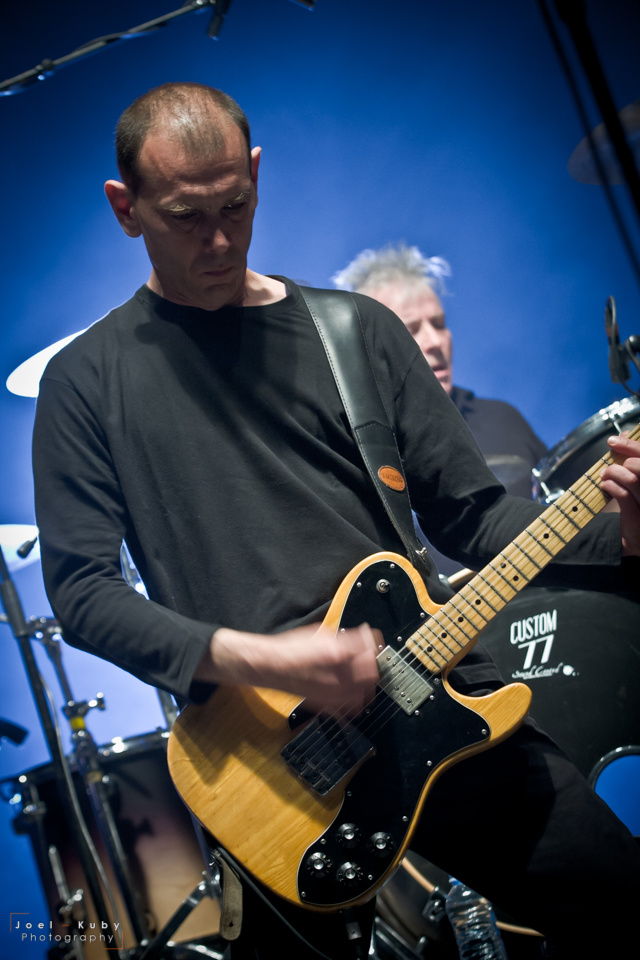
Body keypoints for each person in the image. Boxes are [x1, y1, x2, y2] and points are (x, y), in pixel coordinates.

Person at [32, 82, 640, 960]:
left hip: (436, 702)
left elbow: (475, 519)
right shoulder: (87, 384)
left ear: (256, 173)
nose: (218, 239)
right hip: (271, 770)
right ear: (126, 209)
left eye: (235, 206)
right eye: (186, 217)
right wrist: (267, 659)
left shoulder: (357, 333)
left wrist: (625, 537)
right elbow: (84, 594)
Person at [333, 244, 548, 578]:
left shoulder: (502, 419)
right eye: (410, 329)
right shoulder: (344, 454)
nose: (435, 342)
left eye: (439, 323)